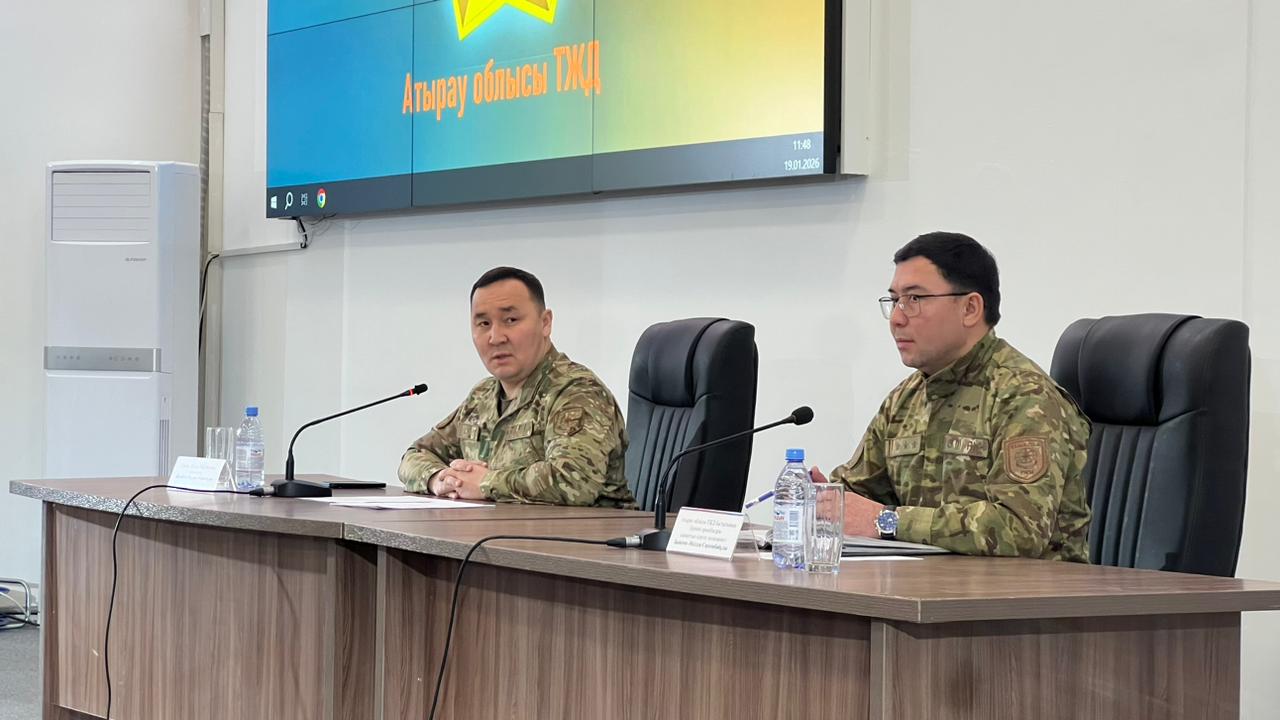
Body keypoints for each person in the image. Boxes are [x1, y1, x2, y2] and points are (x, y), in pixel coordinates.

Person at [812, 232, 1092, 561]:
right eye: (894, 300)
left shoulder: (1024, 396)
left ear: (970, 308)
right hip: (928, 585)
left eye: (914, 299)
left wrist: (887, 521)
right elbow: (858, 494)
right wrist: (826, 502)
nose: (898, 318)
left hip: (1024, 591)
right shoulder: (905, 399)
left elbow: (1019, 529)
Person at [398, 267, 635, 507]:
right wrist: (440, 479)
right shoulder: (481, 397)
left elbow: (573, 482)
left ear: (545, 323)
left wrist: (486, 483)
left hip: (583, 530)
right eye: (483, 323)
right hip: (496, 528)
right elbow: (415, 455)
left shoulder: (577, 392)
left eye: (510, 320)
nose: (496, 337)